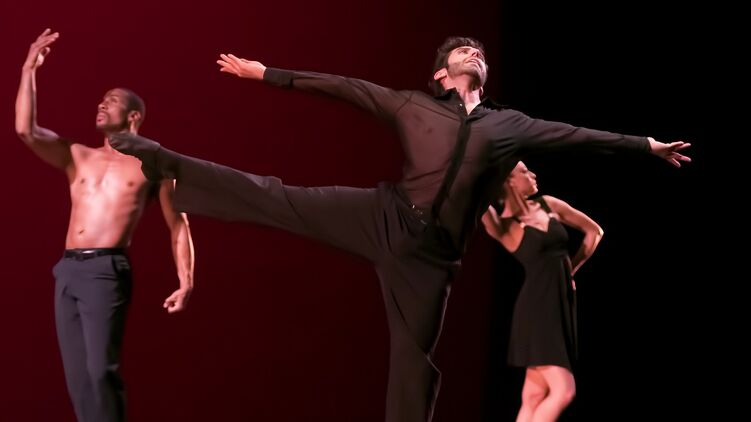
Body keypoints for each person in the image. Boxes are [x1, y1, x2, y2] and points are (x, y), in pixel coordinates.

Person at [109, 36, 690, 422]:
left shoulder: (507, 125)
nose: (474, 52)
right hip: (383, 216)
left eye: (479, 51)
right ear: (441, 73)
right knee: (278, 196)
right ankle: (166, 160)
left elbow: (575, 135)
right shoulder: (413, 104)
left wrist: (646, 146)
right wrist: (268, 74)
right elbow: (345, 86)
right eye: (462, 50)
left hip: (430, 260)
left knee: (414, 363)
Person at [15, 29, 195, 422]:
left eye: (111, 100)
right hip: (68, 269)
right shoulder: (77, 155)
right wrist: (29, 69)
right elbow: (25, 130)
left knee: (100, 372)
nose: (101, 104)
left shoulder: (152, 165)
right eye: (101, 99)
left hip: (106, 269)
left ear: (133, 116)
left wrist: (186, 281)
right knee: (79, 380)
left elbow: (178, 224)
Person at [482, 161, 602, 421]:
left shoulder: (548, 205)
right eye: (525, 171)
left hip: (560, 304)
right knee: (563, 391)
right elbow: (474, 198)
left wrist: (570, 271)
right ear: (509, 181)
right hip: (537, 309)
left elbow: (594, 232)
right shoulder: (504, 225)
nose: (533, 174)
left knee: (534, 395)